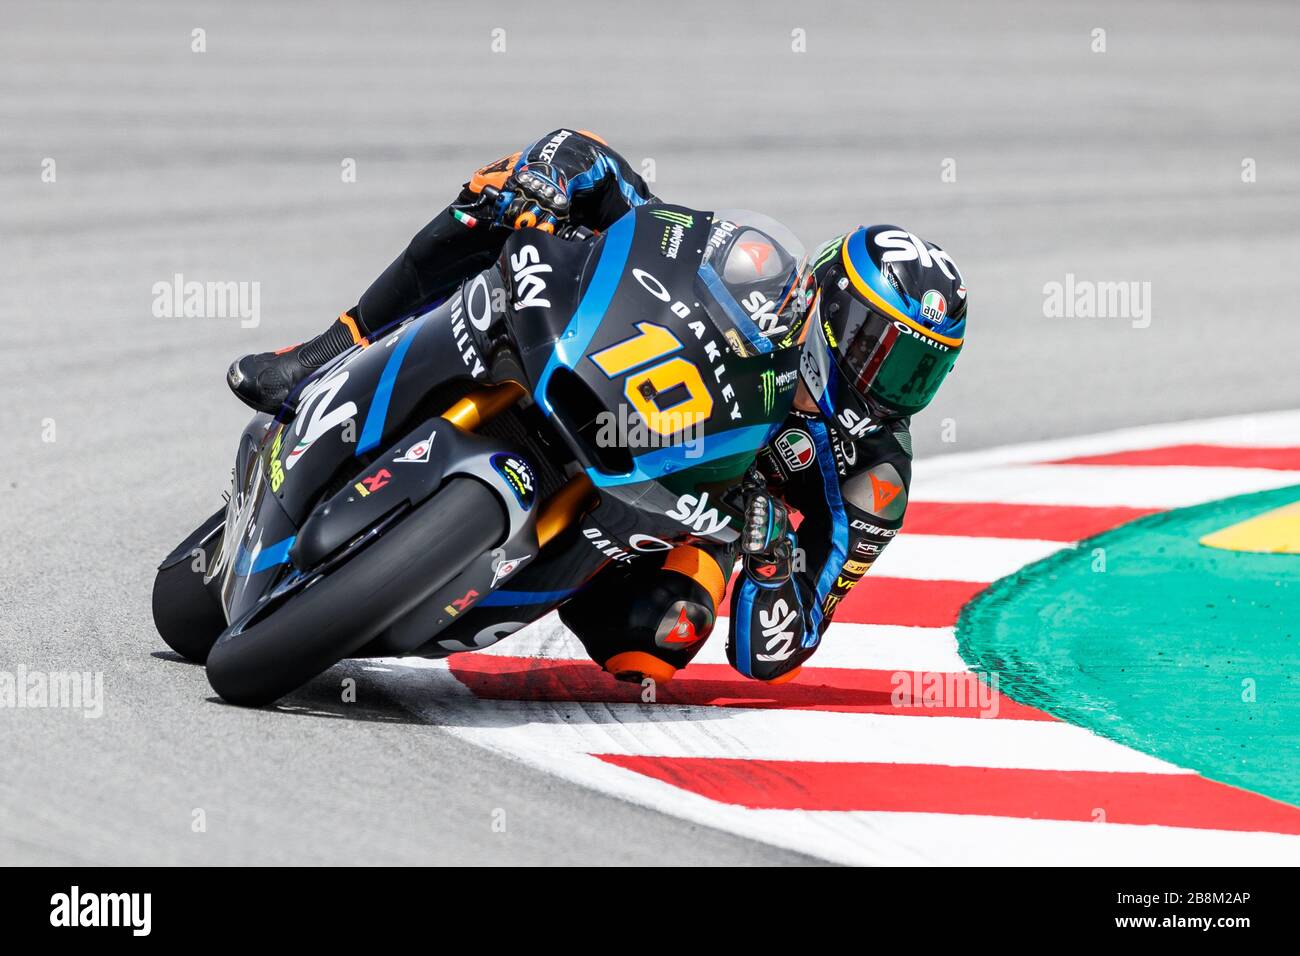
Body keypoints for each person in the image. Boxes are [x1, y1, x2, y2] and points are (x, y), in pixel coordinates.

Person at [226, 129, 967, 685]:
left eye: (918, 370)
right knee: (498, 198)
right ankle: (329, 348)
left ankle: (462, 583)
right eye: (881, 347)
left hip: (672, 512)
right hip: (605, 386)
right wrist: (556, 176)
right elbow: (626, 192)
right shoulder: (762, 279)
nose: (888, 380)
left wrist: (771, 559)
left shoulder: (875, 479)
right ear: (829, 296)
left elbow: (775, 650)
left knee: (657, 641)